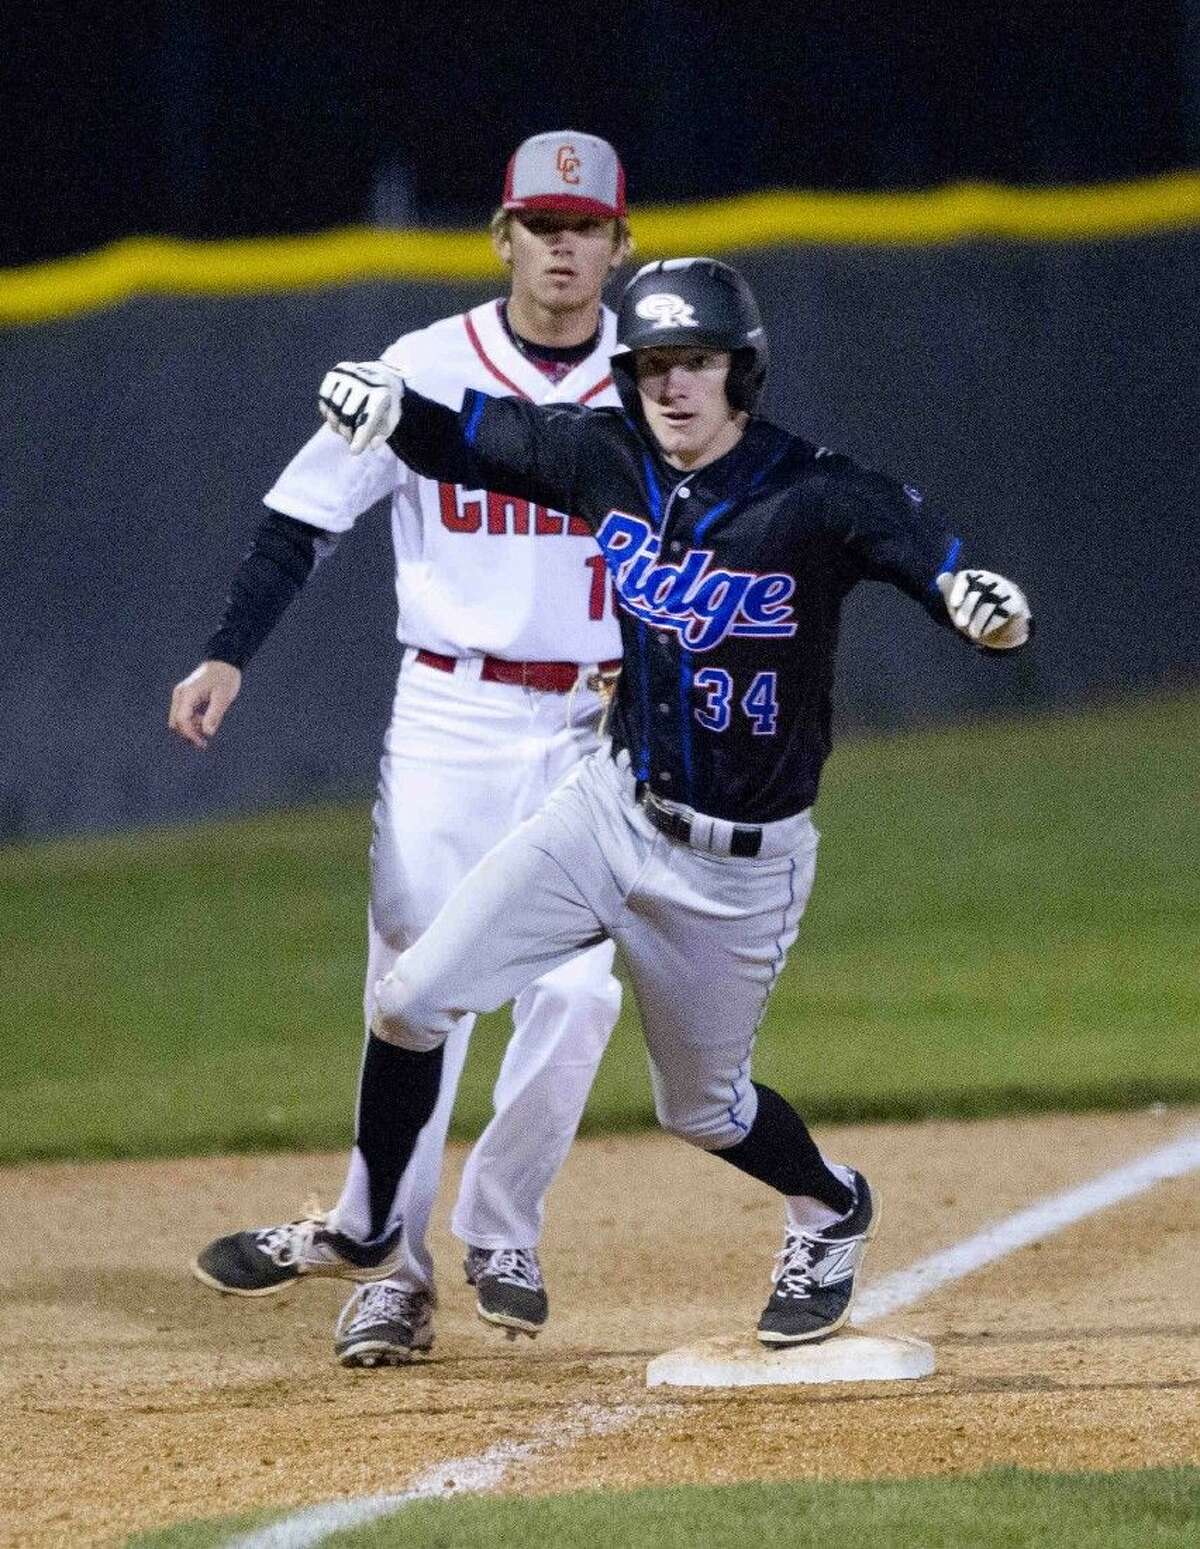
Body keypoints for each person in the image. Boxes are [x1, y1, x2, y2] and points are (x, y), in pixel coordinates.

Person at [199, 256, 1033, 1347]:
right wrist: (394, 406)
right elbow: (470, 438)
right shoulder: (607, 457)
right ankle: (366, 1235)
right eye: (651, 366)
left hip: (739, 866)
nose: (672, 386)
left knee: (704, 1108)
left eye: (697, 363)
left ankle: (831, 1206)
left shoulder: (815, 493)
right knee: (409, 1002)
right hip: (610, 809)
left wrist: (971, 599)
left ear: (744, 371)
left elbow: (927, 556)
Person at [174, 131, 634, 1367]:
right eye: (540, 224)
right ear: (503, 238)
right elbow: (301, 516)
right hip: (451, 713)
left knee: (580, 990)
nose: (560, 247)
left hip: (600, 722)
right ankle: (393, 1268)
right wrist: (229, 652)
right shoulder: (425, 365)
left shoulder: (656, 377)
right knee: (415, 989)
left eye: (583, 227)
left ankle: (503, 1224)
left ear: (616, 246)